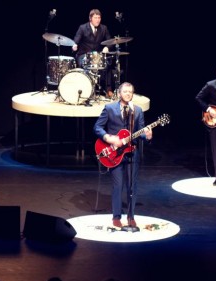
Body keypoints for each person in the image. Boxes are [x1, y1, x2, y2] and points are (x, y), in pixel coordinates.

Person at [94, 82, 152, 228]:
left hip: (132, 153)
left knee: (132, 186)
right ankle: (116, 216)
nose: (128, 94)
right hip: (114, 153)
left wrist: (148, 136)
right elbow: (97, 127)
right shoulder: (109, 108)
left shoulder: (137, 111)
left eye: (130, 92)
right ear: (119, 93)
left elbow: (140, 134)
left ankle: (131, 216)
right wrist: (109, 138)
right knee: (117, 185)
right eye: (125, 91)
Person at [72, 9, 114, 98]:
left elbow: (110, 41)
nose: (98, 20)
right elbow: (76, 40)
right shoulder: (82, 28)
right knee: (86, 65)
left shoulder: (104, 28)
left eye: (99, 18)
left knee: (108, 64)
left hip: (97, 55)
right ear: (90, 18)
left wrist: (107, 47)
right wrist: (74, 45)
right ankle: (86, 90)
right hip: (83, 55)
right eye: (95, 18)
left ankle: (108, 90)